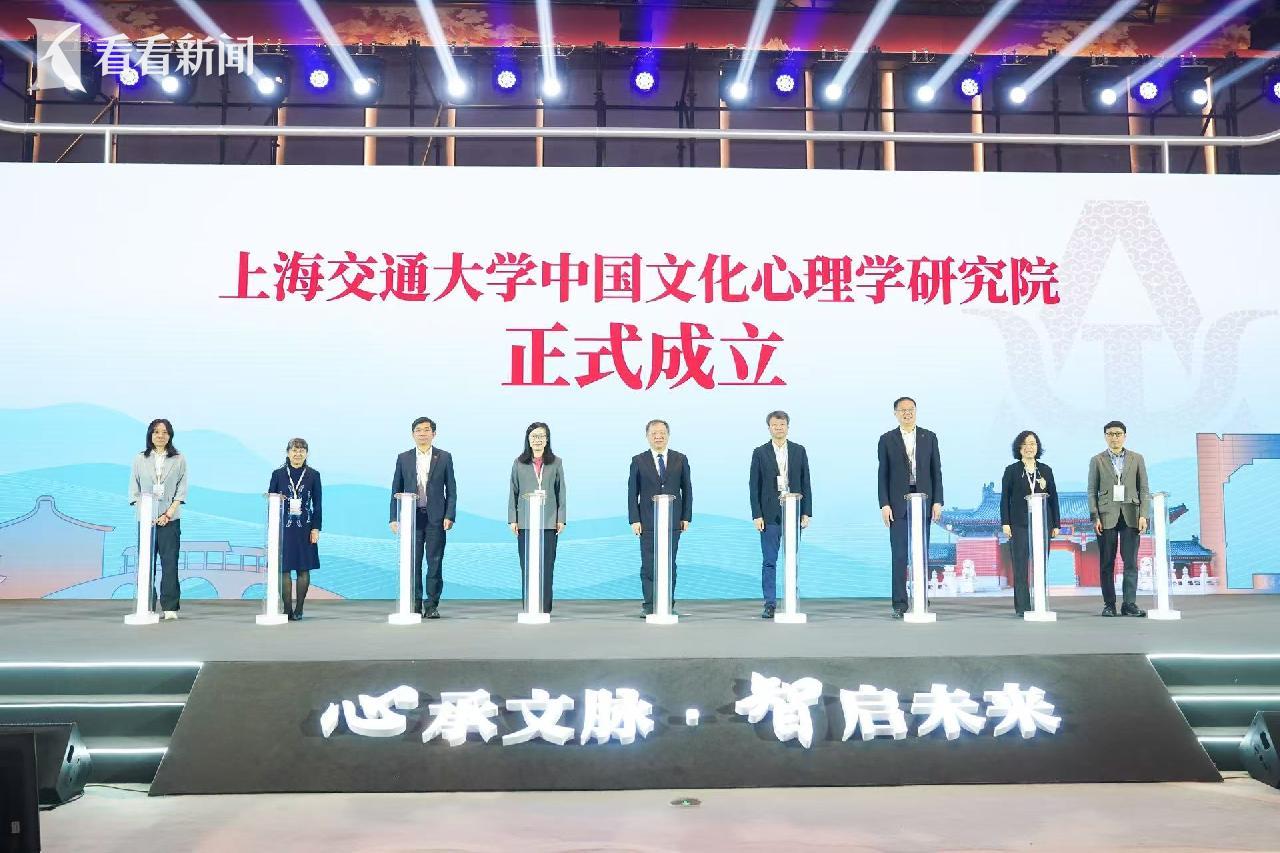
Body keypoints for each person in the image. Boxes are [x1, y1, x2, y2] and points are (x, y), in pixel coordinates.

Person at [877, 396, 943, 619]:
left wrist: (937, 501)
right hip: (898, 504)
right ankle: (899, 603)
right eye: (902, 410)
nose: (907, 413)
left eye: (911, 409)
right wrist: (884, 504)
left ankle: (922, 597)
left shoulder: (929, 437)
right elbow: (883, 474)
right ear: (896, 413)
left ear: (916, 411)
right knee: (899, 555)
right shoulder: (887, 439)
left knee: (921, 553)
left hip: (923, 502)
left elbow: (936, 471)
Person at [389, 417, 457, 620]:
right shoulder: (404, 458)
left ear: (433, 434)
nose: (422, 433)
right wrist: (394, 517)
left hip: (436, 518)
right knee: (413, 563)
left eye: (427, 430)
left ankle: (432, 605)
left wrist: (449, 515)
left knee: (434, 562)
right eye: (418, 430)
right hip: (412, 517)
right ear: (413, 434)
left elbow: (451, 490)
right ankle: (415, 604)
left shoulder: (444, 457)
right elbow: (395, 489)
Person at [749, 410, 812, 619]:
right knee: (769, 560)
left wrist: (806, 512)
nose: (779, 428)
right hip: (769, 515)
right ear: (769, 428)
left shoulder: (798, 450)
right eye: (775, 425)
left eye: (782, 424)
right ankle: (770, 603)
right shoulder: (760, 452)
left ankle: (791, 600)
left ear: (787, 427)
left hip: (794, 512)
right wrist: (757, 515)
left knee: (792, 559)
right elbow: (754, 486)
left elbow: (806, 482)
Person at [628, 419, 692, 617]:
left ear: (668, 435)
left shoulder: (680, 459)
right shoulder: (638, 460)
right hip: (647, 521)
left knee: (669, 563)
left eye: (662, 433)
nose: (658, 436)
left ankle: (667, 603)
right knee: (649, 564)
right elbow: (632, 493)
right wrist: (634, 519)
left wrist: (686, 516)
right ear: (647, 436)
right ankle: (649, 604)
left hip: (673, 521)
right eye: (654, 433)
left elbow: (687, 489)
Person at [1087, 420, 1150, 617]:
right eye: (1110, 434)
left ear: (1125, 436)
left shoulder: (1137, 458)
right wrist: (1095, 517)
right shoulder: (1097, 460)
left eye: (1118, 434)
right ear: (1105, 436)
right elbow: (1091, 491)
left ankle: (1129, 604)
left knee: (1130, 562)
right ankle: (1109, 604)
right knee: (1107, 562)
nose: (1114, 437)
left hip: (1131, 514)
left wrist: (1143, 515)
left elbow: (1144, 489)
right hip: (1106, 516)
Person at [128, 418, 188, 620]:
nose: (160, 436)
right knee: (146, 564)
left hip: (170, 520)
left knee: (170, 564)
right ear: (150, 435)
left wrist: (168, 514)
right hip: (146, 521)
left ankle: (170, 607)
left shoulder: (178, 459)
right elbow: (134, 491)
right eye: (156, 432)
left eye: (164, 432)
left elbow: (181, 490)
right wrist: (147, 515)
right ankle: (147, 605)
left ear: (170, 436)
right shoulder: (139, 459)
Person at [1000, 430, 1061, 617]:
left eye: (1033, 443)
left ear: (1038, 447)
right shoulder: (1011, 470)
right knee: (1020, 566)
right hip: (1019, 524)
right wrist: (1006, 523)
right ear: (1019, 448)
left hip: (1043, 523)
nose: (1029, 447)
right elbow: (1005, 498)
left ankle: (1040, 603)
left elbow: (1053, 498)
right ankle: (1023, 607)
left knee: (1041, 564)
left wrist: (1056, 524)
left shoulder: (1046, 470)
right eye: (1025, 444)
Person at [508, 422, 566, 614]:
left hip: (548, 521)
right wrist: (513, 519)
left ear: (547, 439)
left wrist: (561, 518)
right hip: (525, 521)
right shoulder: (519, 463)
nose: (538, 440)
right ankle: (529, 606)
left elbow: (561, 491)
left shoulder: (556, 462)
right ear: (528, 439)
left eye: (541, 436)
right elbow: (513, 491)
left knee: (547, 565)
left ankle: (545, 608)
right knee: (527, 565)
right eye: (534, 436)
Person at [268, 438, 322, 621]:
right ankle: (287, 609)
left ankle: (299, 608)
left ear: (306, 453)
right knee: (283, 569)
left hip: (305, 528)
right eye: (294, 450)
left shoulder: (313, 475)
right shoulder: (278, 474)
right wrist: (272, 529)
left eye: (301, 450)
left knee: (303, 569)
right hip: (283, 528)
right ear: (288, 452)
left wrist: (316, 528)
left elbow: (318, 505)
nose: (298, 454)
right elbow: (271, 502)